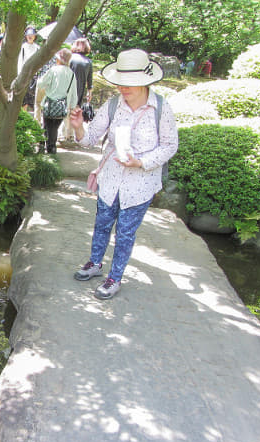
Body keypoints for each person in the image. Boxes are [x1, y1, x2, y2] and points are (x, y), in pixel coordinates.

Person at [69, 48, 179, 300]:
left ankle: (114, 277)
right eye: (121, 83)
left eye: (130, 84)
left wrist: (140, 162)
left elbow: (170, 146)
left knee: (126, 232)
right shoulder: (112, 105)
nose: (123, 88)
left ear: (145, 81)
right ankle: (95, 264)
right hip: (110, 179)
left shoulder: (160, 108)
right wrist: (78, 128)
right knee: (102, 224)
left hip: (140, 184)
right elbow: (90, 140)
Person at [36, 48, 77, 154]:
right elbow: (74, 93)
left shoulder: (53, 70)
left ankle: (48, 147)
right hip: (63, 106)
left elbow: (40, 84)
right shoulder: (71, 73)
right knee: (54, 127)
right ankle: (51, 147)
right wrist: (72, 107)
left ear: (59, 59)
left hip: (49, 104)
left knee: (47, 126)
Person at [17, 26, 40, 111]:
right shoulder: (22, 47)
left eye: (32, 35)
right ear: (26, 36)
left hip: (34, 76)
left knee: (33, 99)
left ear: (35, 36)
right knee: (24, 99)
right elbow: (20, 62)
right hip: (24, 75)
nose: (30, 37)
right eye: (28, 35)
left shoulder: (38, 48)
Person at [69, 37, 93, 107]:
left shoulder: (69, 58)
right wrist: (89, 92)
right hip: (79, 91)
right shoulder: (88, 62)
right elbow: (90, 79)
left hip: (65, 89)